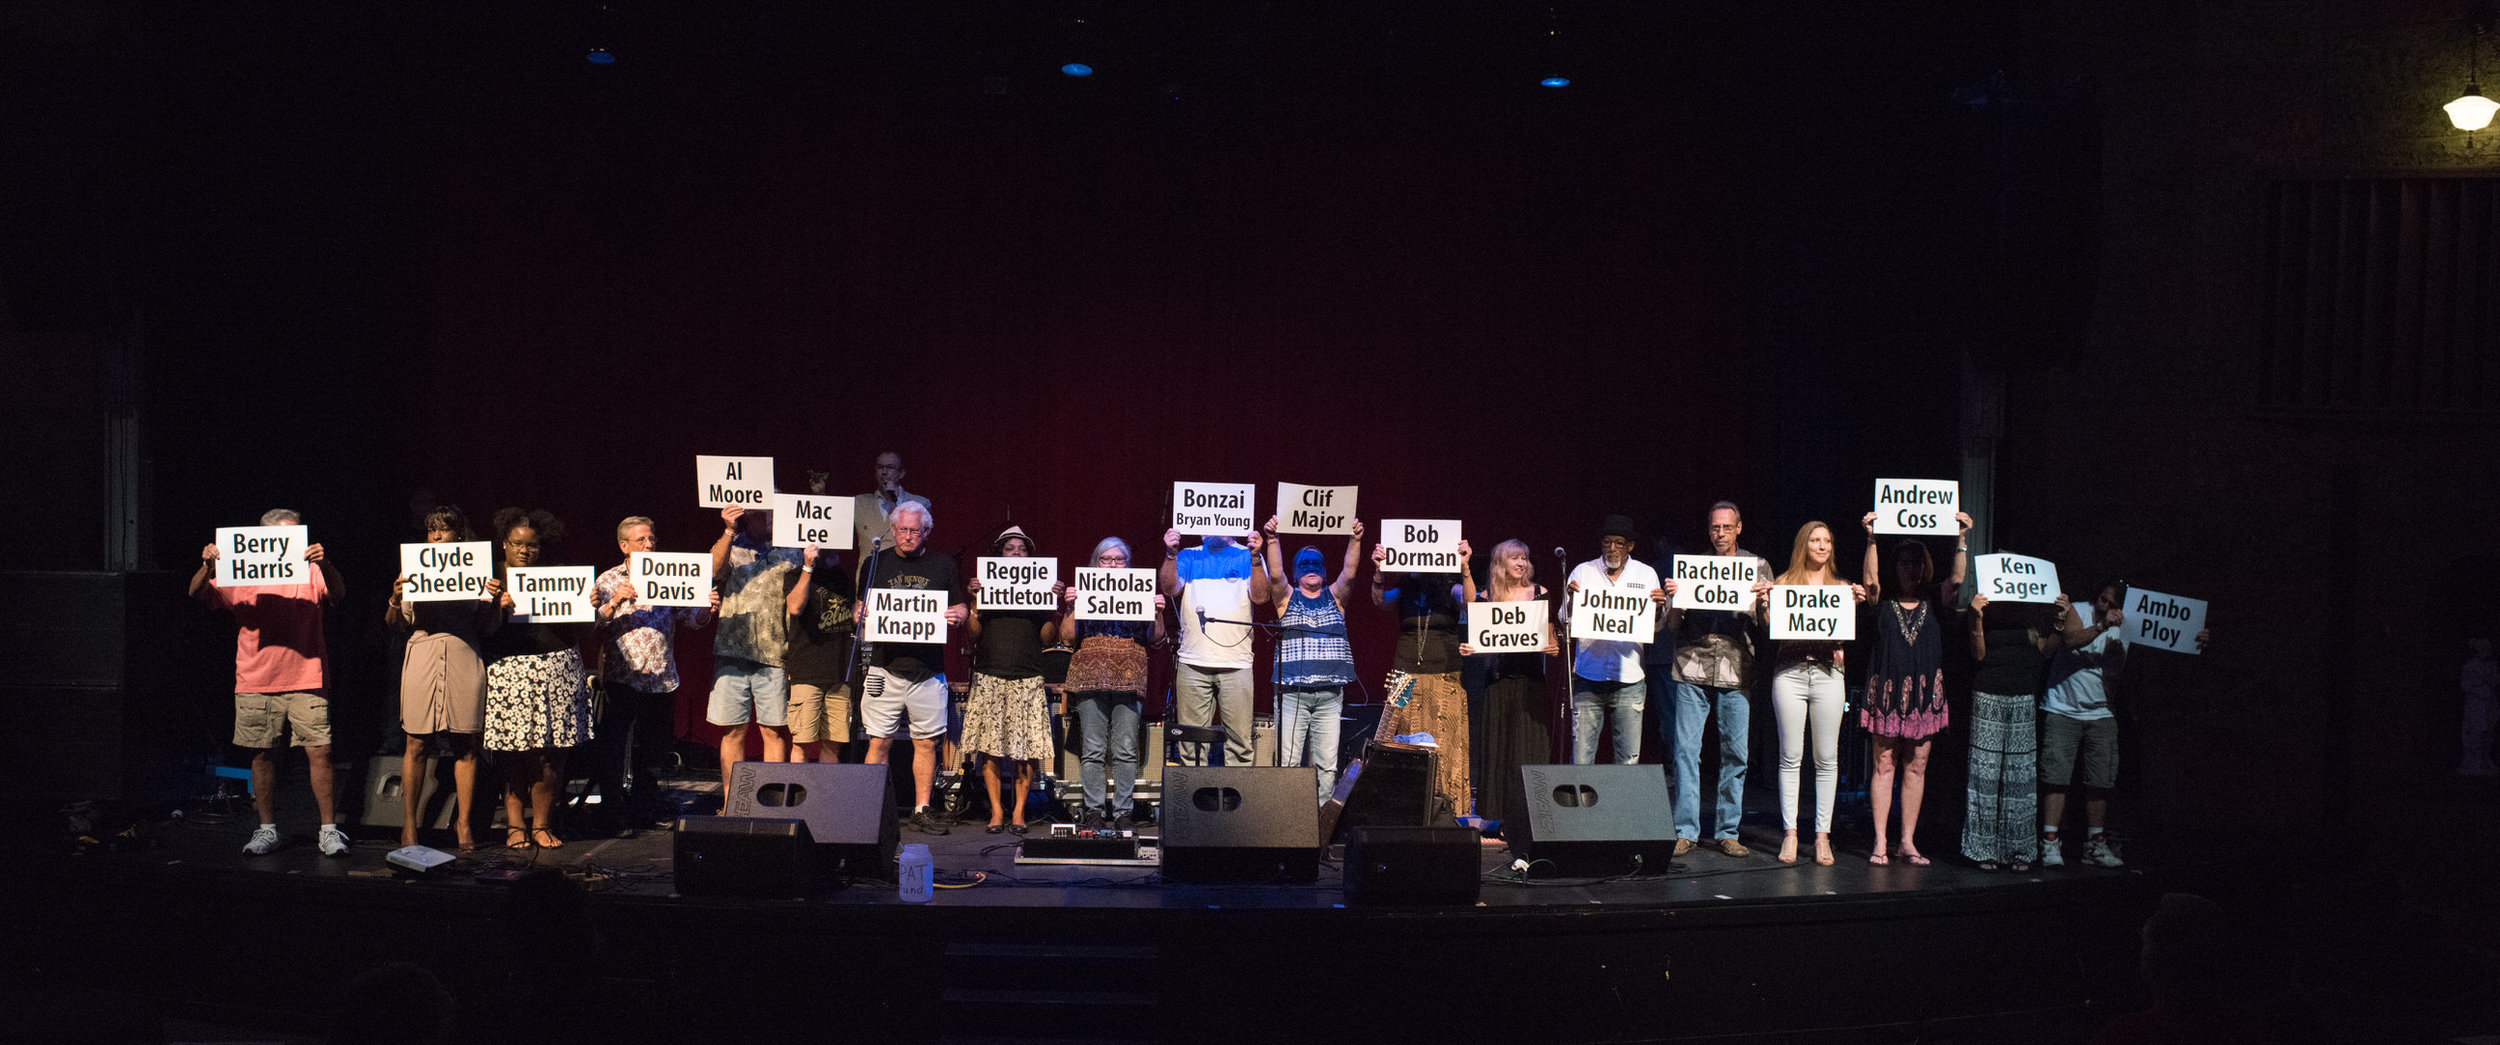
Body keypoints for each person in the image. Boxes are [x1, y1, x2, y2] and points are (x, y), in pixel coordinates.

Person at [190, 508, 348, 856]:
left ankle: (329, 829)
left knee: (320, 751)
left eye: (294, 535)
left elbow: (337, 595)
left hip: (306, 674)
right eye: (281, 536)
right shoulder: (241, 572)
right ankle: (266, 829)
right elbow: (196, 594)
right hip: (256, 677)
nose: (290, 542)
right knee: (263, 754)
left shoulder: (309, 569)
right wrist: (207, 565)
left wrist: (326, 564)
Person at [2038, 582, 2210, 868]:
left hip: (2102, 712)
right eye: (2102, 599)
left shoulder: (2132, 624)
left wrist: (2195, 638)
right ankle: (2050, 843)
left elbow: (2166, 637)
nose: (2103, 606)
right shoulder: (2079, 610)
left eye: (2111, 604)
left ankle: (2095, 845)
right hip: (2062, 708)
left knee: (2100, 781)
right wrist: (2103, 626)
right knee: (2057, 777)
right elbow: (2070, 639)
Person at [1856, 510, 1971, 866]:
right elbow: (1870, 581)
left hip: (1924, 697)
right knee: (1885, 764)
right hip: (1887, 696)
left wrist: (1962, 539)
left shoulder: (1935, 600)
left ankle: (1907, 841)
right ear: (1897, 566)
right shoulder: (1883, 604)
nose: (1910, 569)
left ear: (1925, 567)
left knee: (1916, 766)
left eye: (1916, 563)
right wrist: (1872, 538)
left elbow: (1957, 578)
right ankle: (1880, 840)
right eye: (1904, 562)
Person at [1661, 501, 1774, 857]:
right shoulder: (1693, 567)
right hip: (1692, 664)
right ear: (1708, 530)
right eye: (1714, 528)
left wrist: (1765, 602)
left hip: (1736, 667)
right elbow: (1674, 625)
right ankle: (1686, 830)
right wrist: (1674, 599)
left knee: (1735, 754)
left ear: (1738, 528)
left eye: (1726, 527)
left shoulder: (1756, 567)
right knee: (1685, 752)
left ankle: (1727, 831)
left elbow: (1770, 627)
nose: (1720, 534)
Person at [590, 516, 717, 831]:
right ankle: (613, 811)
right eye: (641, 540)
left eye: (652, 539)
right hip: (622, 677)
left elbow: (691, 619)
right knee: (614, 747)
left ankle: (644, 808)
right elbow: (593, 623)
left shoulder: (669, 575)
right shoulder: (608, 579)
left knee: (652, 750)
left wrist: (706, 608)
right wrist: (616, 601)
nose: (649, 544)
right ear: (624, 546)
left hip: (660, 679)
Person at [385, 505, 495, 851]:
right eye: (431, 530)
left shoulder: (476, 569)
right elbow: (397, 624)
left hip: (464, 653)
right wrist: (395, 597)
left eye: (444, 530)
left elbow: (488, 626)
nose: (436, 536)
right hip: (424, 652)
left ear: (458, 534)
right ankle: (409, 826)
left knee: (466, 743)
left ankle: (463, 825)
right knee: (416, 742)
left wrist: (492, 598)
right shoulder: (415, 570)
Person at [483, 508, 594, 849]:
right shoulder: (492, 580)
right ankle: (515, 825)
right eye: (517, 544)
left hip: (556, 668)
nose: (524, 551)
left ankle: (542, 824)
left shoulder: (558, 576)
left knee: (550, 754)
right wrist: (494, 606)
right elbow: (481, 632)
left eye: (531, 545)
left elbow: (582, 627)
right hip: (510, 671)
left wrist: (587, 605)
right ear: (504, 544)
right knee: (512, 753)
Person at [857, 500, 968, 834]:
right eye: (902, 530)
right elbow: (859, 607)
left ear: (926, 531)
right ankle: (869, 808)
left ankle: (921, 809)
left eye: (914, 531)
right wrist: (858, 614)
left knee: (926, 742)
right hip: (884, 667)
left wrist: (958, 615)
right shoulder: (875, 563)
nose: (907, 536)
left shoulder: (943, 564)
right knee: (878, 742)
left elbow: (960, 606)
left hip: (927, 669)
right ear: (892, 530)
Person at [1763, 521, 1867, 865]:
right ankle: (1790, 834)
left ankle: (1823, 836)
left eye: (1827, 541)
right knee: (1790, 756)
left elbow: (1848, 626)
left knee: (1827, 758)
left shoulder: (1842, 586)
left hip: (1828, 675)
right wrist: (1765, 605)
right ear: (1803, 545)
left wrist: (1856, 602)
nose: (1822, 546)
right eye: (1815, 540)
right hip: (1790, 674)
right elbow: (1770, 628)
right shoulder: (1783, 582)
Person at [961, 525, 1064, 833]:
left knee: (1026, 750)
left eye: (1022, 549)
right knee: (990, 748)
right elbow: (974, 634)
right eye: (1010, 549)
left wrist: (1051, 606)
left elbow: (1048, 638)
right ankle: (996, 811)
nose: (1017, 553)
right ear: (999, 555)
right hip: (990, 672)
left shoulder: (1038, 587)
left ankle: (1018, 811)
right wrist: (975, 602)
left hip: (1028, 674)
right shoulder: (987, 588)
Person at [1059, 538, 1167, 830]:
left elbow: (1156, 639)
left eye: (1119, 559)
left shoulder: (1140, 592)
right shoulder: (1083, 592)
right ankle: (1093, 810)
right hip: (1090, 676)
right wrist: (1070, 608)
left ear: (1128, 564)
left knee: (1126, 748)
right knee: (1092, 748)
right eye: (1106, 559)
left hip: (1130, 677)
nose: (1113, 564)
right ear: (1096, 563)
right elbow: (1067, 638)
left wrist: (1157, 612)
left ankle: (1122, 811)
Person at [1261, 516, 1366, 801]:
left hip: (1330, 695)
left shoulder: (1336, 598)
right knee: (1290, 764)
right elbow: (1274, 574)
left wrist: (1355, 539)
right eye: (1304, 564)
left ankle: (1321, 827)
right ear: (1296, 573)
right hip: (1294, 695)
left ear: (1323, 570)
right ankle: (1289, 823)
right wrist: (1273, 539)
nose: (1311, 568)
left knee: (1326, 767)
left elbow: (1351, 571)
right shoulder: (1287, 598)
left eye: (1316, 563)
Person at [1459, 539, 1561, 833]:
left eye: (1525, 558)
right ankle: (1503, 818)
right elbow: (1470, 608)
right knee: (1501, 750)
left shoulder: (1540, 593)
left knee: (1528, 750)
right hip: (1498, 684)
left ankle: (1531, 817)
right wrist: (1465, 567)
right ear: (1501, 563)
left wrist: (1553, 647)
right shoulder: (1488, 595)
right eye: (1515, 558)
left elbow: (1549, 635)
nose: (1521, 563)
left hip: (1530, 683)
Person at [1371, 535, 1475, 818]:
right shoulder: (1405, 590)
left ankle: (1447, 810)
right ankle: (1405, 807)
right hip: (1405, 675)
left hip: (1444, 676)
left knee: (1445, 742)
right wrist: (1379, 571)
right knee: (1402, 740)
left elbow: (1470, 602)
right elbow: (1380, 601)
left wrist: (1465, 568)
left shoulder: (1450, 590)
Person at [709, 504, 805, 796]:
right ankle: (732, 801)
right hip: (732, 651)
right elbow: (711, 571)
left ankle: (770, 805)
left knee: (773, 730)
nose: (766, 516)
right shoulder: (732, 545)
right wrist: (728, 529)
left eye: (771, 510)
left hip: (776, 653)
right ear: (745, 513)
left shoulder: (792, 550)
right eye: (758, 511)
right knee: (733, 730)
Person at [1160, 525, 1271, 768]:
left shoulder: (1248, 554)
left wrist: (1255, 557)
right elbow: (1169, 589)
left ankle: (1238, 802)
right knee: (1191, 745)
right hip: (1192, 662)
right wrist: (1170, 554)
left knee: (1240, 743)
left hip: (1236, 663)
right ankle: (1192, 804)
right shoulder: (1188, 555)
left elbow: (1261, 597)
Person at [1965, 586, 2058, 872]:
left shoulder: (2032, 614)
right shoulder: (1986, 611)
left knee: (2020, 776)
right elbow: (1978, 654)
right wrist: (1977, 618)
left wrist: (2061, 621)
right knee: (1986, 774)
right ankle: (1983, 849)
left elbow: (2045, 651)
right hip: (1989, 695)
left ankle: (2019, 848)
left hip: (2022, 696)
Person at [1562, 515, 1666, 765]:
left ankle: (1624, 805)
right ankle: (1582, 804)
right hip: (1589, 674)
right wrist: (1571, 600)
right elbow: (1564, 620)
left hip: (1629, 678)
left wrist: (1661, 607)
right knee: (1582, 758)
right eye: (1607, 542)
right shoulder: (1582, 572)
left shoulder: (1645, 574)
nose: (1612, 548)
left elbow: (1656, 625)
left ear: (1630, 546)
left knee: (1628, 758)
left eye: (1619, 543)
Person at [783, 542, 856, 766]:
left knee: (833, 743)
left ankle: (826, 799)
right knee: (802, 742)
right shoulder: (795, 575)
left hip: (839, 672)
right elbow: (795, 608)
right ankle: (798, 799)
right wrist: (808, 567)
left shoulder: (846, 578)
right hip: (806, 671)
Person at [852, 451, 931, 586]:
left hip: (904, 578)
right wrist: (820, 494)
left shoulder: (920, 503)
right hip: (870, 578)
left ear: (901, 473)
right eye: (880, 467)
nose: (884, 472)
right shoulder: (859, 503)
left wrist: (892, 499)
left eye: (890, 467)